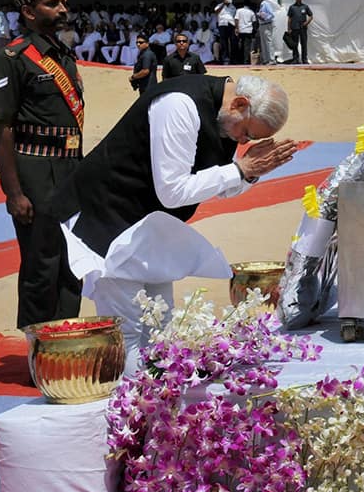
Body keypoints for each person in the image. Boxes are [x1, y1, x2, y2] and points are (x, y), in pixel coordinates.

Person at [51, 74, 296, 373]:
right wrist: (239, 169)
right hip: (106, 220)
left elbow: (214, 182)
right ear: (240, 103)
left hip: (146, 229)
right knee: (127, 334)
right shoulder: (180, 105)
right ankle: (128, 412)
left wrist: (249, 173)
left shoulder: (223, 116)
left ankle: (158, 410)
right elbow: (173, 191)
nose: (243, 141)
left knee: (160, 331)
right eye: (246, 132)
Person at [0, 0, 84, 329]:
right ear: (28, 11)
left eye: (61, 1)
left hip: (71, 167)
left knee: (73, 260)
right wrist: (14, 192)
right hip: (35, 171)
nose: (63, 8)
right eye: (52, 3)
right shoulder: (9, 59)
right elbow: (2, 130)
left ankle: (67, 342)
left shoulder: (62, 54)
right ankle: (39, 351)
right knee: (42, 264)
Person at [286, 0, 313, 64]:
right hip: (294, 28)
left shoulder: (305, 6)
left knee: (304, 44)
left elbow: (311, 16)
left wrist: (307, 22)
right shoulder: (292, 7)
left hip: (303, 28)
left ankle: (304, 59)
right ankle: (295, 59)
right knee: (295, 44)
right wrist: (288, 28)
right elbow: (289, 18)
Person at [214, 0, 237, 64]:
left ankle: (233, 59)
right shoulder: (219, 5)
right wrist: (223, 4)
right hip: (222, 25)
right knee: (223, 42)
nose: (226, 0)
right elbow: (216, 12)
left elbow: (233, 16)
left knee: (232, 42)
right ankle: (225, 58)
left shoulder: (232, 7)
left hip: (230, 25)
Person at [234, 0, 256, 64]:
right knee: (247, 46)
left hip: (241, 30)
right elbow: (254, 22)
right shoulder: (251, 12)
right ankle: (246, 61)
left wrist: (236, 28)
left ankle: (240, 60)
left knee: (240, 46)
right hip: (248, 31)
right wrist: (254, 30)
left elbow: (236, 20)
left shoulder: (239, 10)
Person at [255, 0, 276, 65]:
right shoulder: (261, 6)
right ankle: (266, 59)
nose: (256, 1)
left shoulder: (266, 4)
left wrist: (265, 19)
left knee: (268, 42)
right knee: (263, 43)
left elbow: (272, 14)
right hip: (262, 25)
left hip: (266, 24)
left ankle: (272, 59)